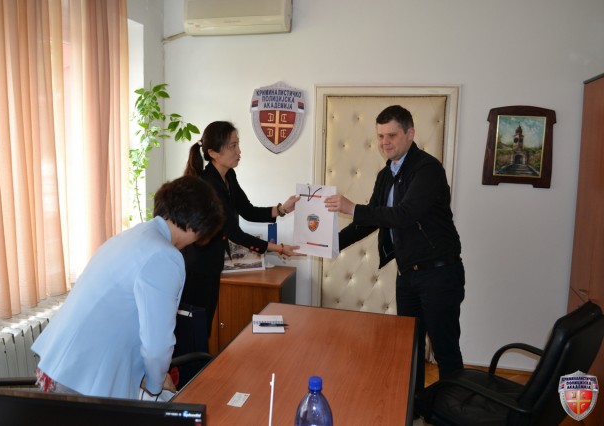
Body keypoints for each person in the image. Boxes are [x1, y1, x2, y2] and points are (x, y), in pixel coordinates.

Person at [31, 176, 224, 399]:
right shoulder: (165, 256)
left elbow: (121, 315)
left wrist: (146, 376)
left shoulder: (134, 235)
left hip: (64, 363)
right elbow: (157, 343)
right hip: (85, 376)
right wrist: (155, 383)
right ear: (196, 226)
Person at [324, 105, 465, 395]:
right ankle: (414, 408)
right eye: (380, 136)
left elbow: (404, 214)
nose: (384, 142)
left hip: (439, 275)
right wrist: (329, 244)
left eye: (391, 135)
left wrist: (352, 208)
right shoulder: (386, 174)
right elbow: (370, 220)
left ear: (410, 134)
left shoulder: (427, 169)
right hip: (408, 275)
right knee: (409, 349)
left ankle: (455, 409)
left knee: (445, 350)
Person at [182, 121, 300, 336]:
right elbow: (234, 233)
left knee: (203, 327)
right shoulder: (209, 184)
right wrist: (278, 248)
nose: (239, 152)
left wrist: (283, 208)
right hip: (197, 268)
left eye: (238, 144)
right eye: (232, 146)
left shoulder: (228, 176)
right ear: (213, 153)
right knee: (196, 329)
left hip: (211, 265)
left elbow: (248, 211)